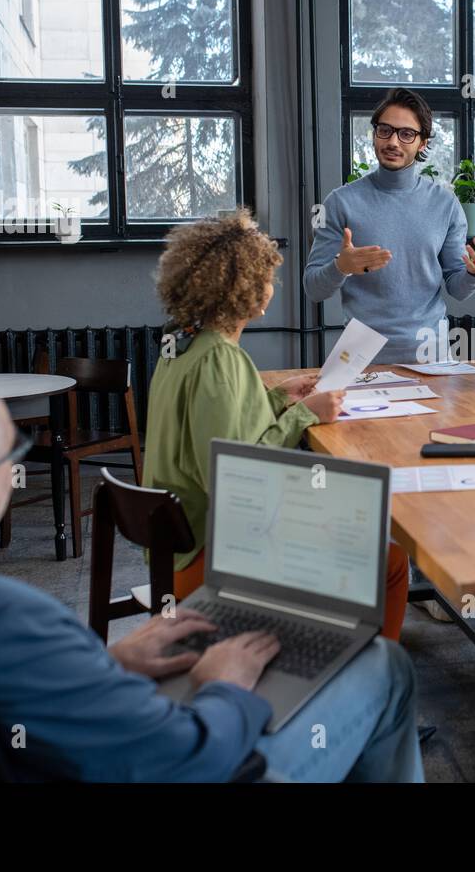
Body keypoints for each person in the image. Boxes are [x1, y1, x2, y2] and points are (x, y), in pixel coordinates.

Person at [0, 358, 422, 781]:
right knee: (385, 664)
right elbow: (188, 762)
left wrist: (100, 668)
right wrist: (225, 689)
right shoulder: (6, 623)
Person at [141, 212, 410, 642]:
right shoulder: (221, 361)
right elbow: (242, 475)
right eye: (268, 274)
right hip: (211, 558)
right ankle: (373, 680)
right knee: (391, 563)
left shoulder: (182, 346)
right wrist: (308, 414)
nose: (272, 283)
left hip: (170, 552)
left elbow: (217, 423)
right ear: (247, 288)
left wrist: (278, 396)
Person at [304, 87, 475, 364]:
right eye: (385, 130)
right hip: (360, 356)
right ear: (375, 133)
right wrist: (341, 266)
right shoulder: (340, 202)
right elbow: (314, 289)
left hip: (430, 353)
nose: (393, 142)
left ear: (422, 143)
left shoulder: (445, 204)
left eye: (406, 134)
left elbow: (458, 289)